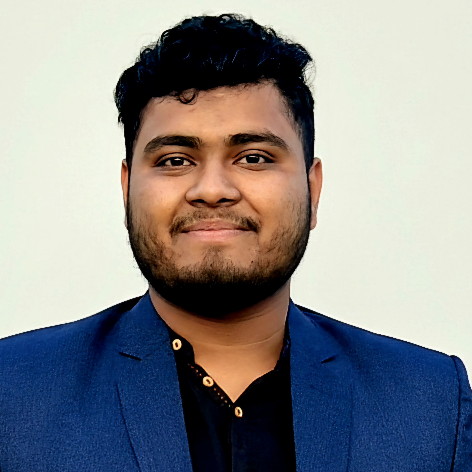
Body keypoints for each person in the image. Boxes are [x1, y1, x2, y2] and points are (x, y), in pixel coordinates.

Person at [0, 13, 470, 472]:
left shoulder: (429, 404)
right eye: (174, 160)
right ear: (127, 190)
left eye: (253, 157)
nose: (212, 189)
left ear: (313, 189)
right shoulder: (13, 394)